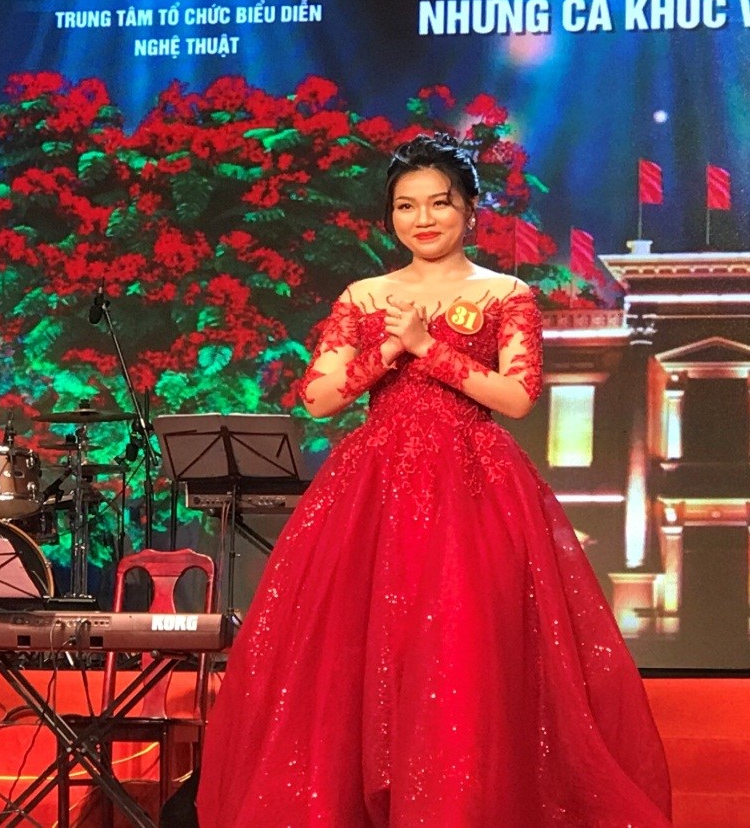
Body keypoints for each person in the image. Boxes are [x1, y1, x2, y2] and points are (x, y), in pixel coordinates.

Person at [197, 133, 673, 826]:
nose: (422, 219)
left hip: (473, 486)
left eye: (439, 203)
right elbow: (319, 397)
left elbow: (516, 397)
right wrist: (390, 348)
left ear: (471, 209)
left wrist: (428, 347)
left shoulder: (505, 293)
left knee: (462, 651)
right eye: (405, 206)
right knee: (356, 653)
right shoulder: (366, 295)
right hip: (374, 488)